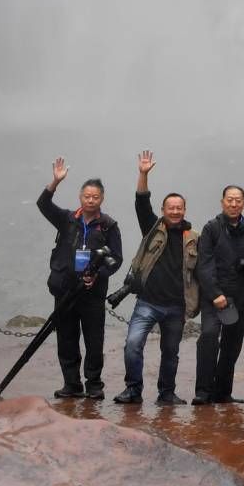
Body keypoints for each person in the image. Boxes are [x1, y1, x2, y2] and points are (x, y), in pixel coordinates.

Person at [36, 156, 123, 401]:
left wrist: (98, 275)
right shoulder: (66, 219)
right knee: (66, 339)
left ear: (102, 199)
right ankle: (71, 384)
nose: (91, 200)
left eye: (95, 197)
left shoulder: (108, 226)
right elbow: (43, 204)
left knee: (94, 342)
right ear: (80, 197)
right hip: (65, 290)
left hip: (92, 294)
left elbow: (116, 258)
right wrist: (55, 181)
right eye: (87, 196)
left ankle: (94, 386)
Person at [115, 149, 197, 405]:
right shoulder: (152, 228)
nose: (174, 211)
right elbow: (141, 201)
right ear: (163, 209)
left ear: (184, 210)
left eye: (179, 208)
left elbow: (201, 273)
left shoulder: (193, 238)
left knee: (170, 353)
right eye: (170, 208)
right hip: (148, 302)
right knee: (132, 344)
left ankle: (166, 394)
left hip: (176, 305)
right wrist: (143, 174)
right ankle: (133, 389)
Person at [192, 184, 244, 406]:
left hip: (240, 295)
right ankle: (203, 391)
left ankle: (223, 392)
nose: (233, 204)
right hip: (215, 297)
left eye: (238, 200)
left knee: (232, 345)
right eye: (229, 200)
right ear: (222, 202)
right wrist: (214, 293)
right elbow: (204, 264)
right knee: (209, 338)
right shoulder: (211, 228)